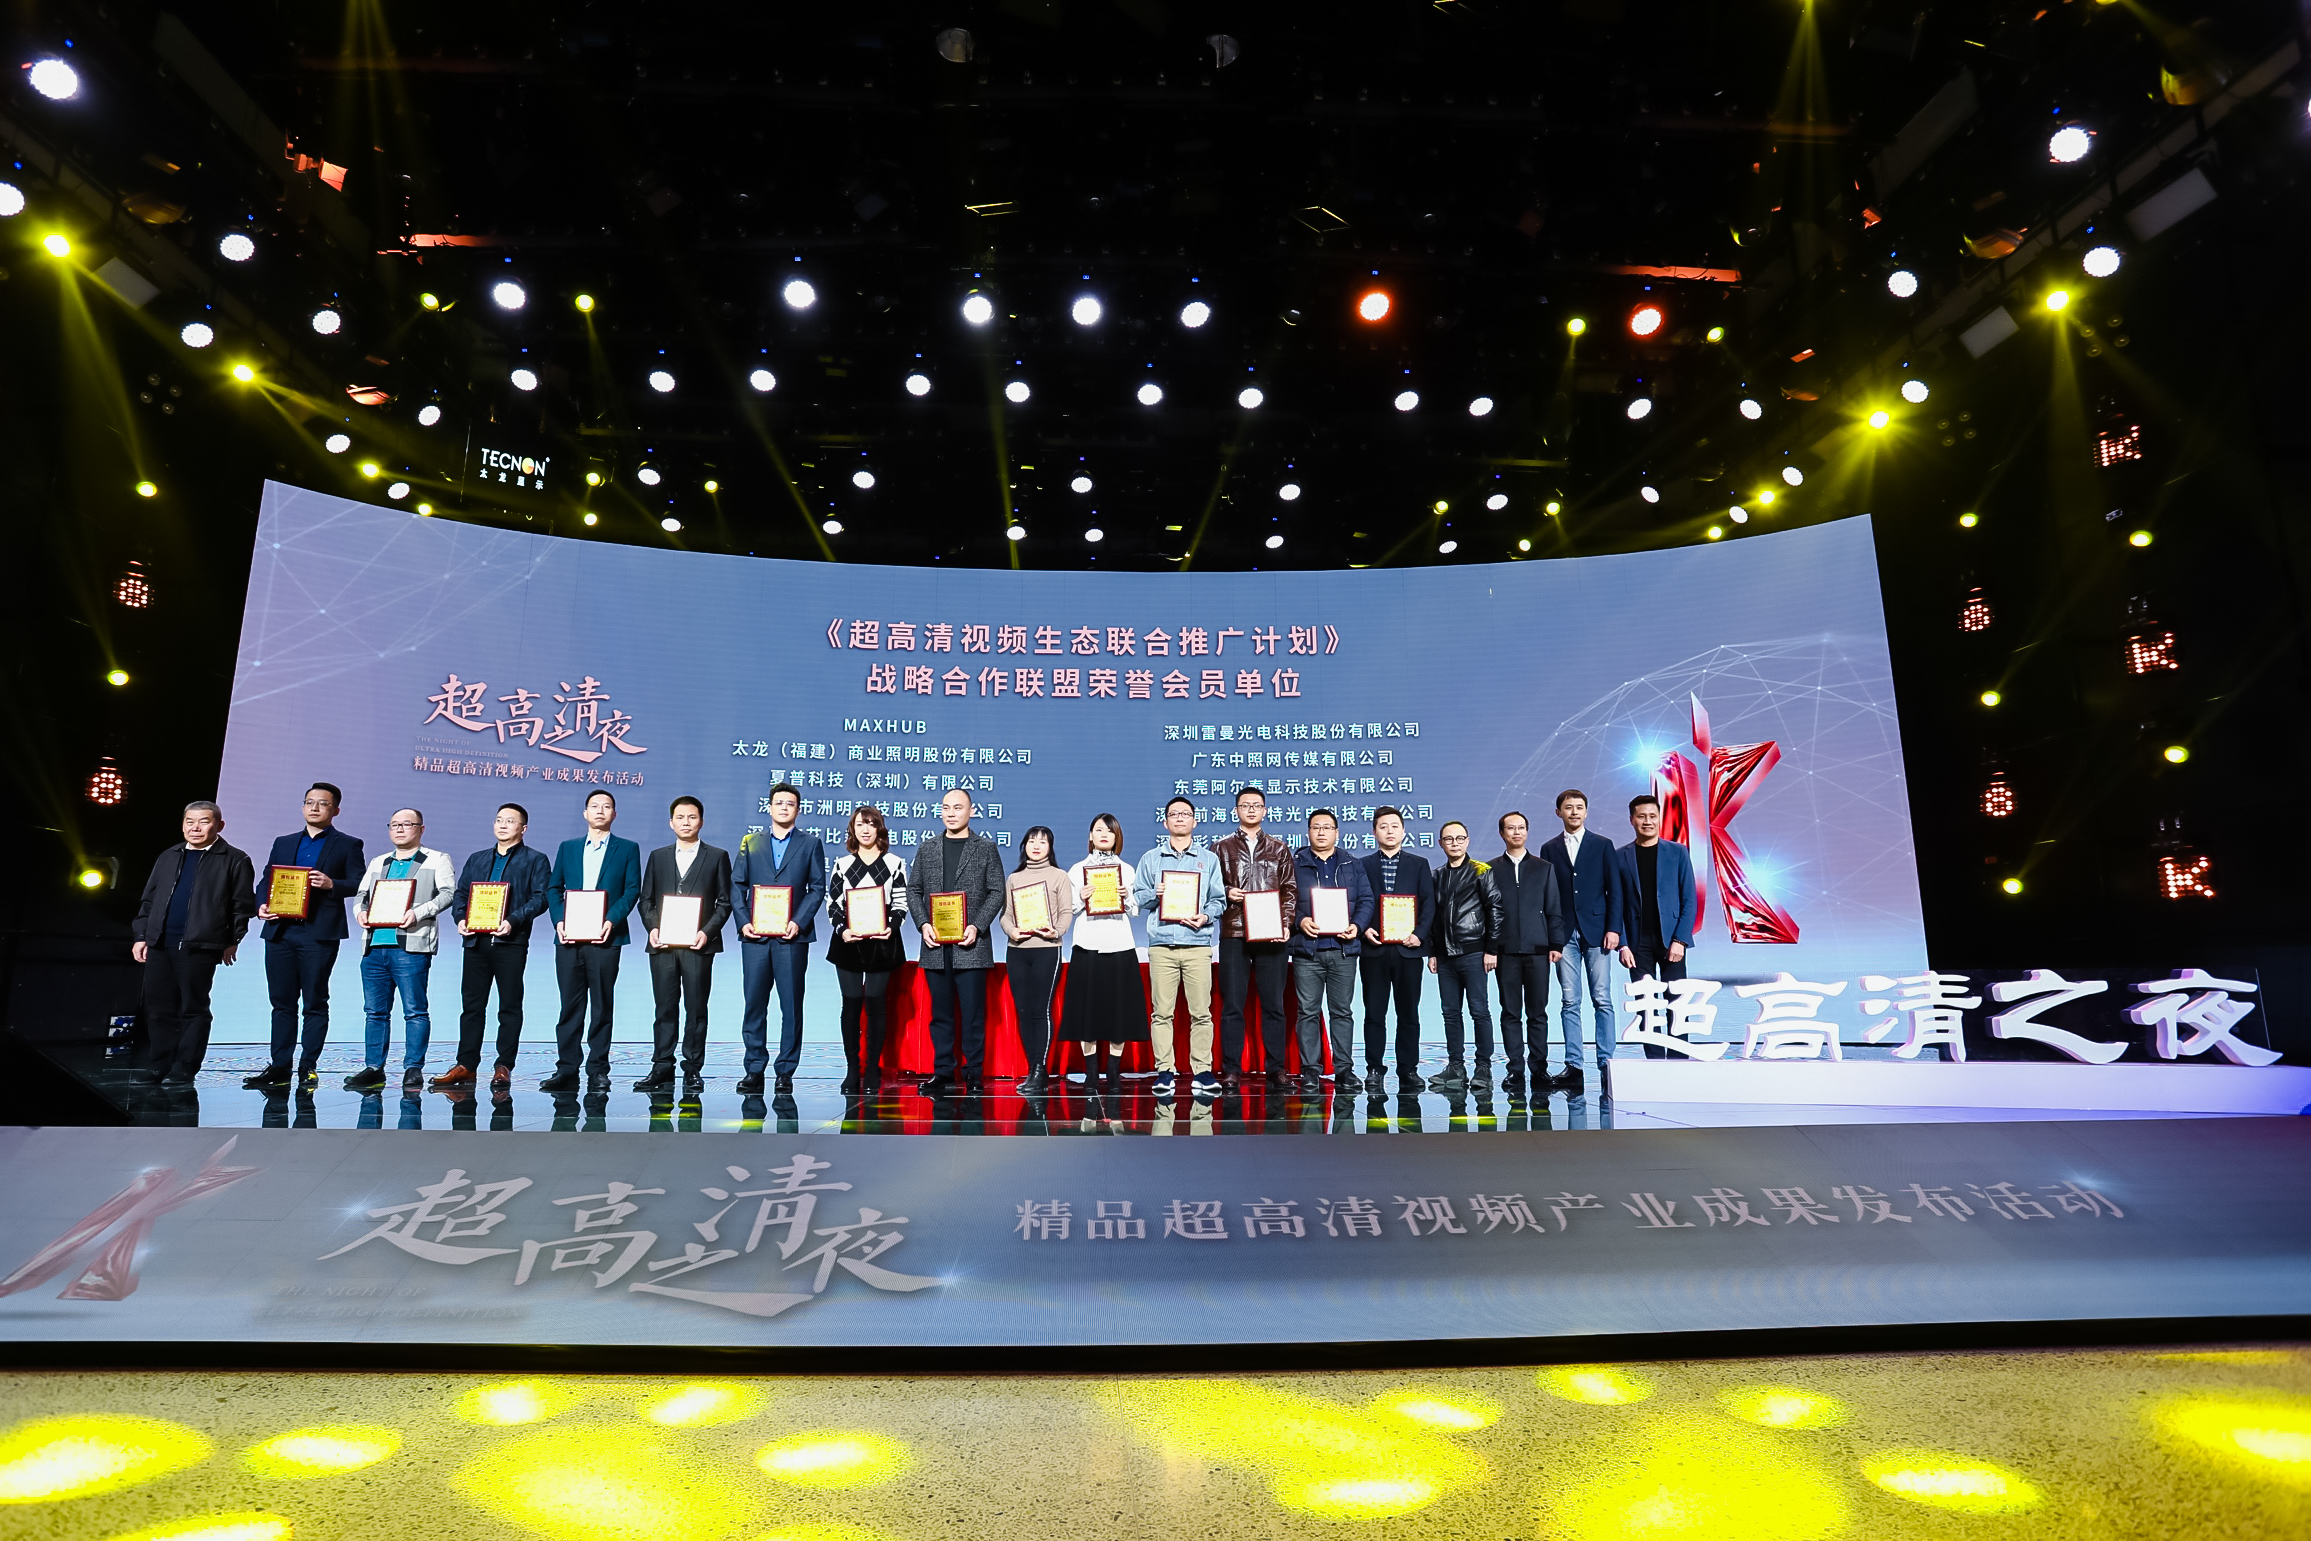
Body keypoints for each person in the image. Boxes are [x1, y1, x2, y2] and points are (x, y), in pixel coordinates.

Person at [246, 782, 366, 1090]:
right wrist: (261, 904)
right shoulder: (283, 842)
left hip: (319, 933)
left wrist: (332, 884)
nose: (314, 807)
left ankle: (308, 1065)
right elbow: (267, 878)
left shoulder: (348, 844)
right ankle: (279, 1066)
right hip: (280, 931)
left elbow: (360, 883)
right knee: (282, 1002)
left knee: (314, 1001)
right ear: (302, 806)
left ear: (335, 810)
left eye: (322, 803)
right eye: (309, 802)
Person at [129, 800, 257, 1085]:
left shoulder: (235, 859)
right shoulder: (169, 855)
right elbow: (149, 900)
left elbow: (242, 906)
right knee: (158, 1008)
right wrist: (141, 936)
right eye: (190, 821)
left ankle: (185, 1067)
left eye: (204, 821)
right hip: (160, 942)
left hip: (201, 944)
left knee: (193, 1008)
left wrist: (232, 940)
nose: (195, 828)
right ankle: (160, 1065)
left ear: (219, 825)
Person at [440, 802, 552, 1090]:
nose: (503, 825)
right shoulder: (477, 858)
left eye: (510, 821)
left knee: (509, 1006)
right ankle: (466, 1065)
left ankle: (504, 1066)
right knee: (471, 1006)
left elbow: (541, 898)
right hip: (475, 942)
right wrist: (460, 919)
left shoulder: (535, 860)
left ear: (523, 829)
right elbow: (461, 893)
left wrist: (513, 920)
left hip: (510, 942)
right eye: (499, 819)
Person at [346, 808, 459, 1091]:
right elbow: (361, 895)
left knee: (415, 1010)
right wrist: (360, 912)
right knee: (375, 1012)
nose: (399, 829)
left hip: (411, 945)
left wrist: (419, 912)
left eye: (406, 824)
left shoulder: (437, 859)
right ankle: (374, 1068)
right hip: (374, 946)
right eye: (394, 824)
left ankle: (413, 1068)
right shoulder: (379, 861)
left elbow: (448, 893)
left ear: (421, 829)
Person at [907, 788, 1005, 1097]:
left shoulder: (985, 848)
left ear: (971, 811)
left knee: (973, 1013)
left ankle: (973, 1072)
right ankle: (943, 1071)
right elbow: (913, 890)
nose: (951, 813)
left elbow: (997, 891)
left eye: (958, 807)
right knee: (941, 1014)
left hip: (971, 944)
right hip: (935, 945)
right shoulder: (927, 848)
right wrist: (923, 924)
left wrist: (977, 925)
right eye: (946, 808)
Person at [542, 790, 642, 1093]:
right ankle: (566, 1068)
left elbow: (632, 890)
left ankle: (598, 1069)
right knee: (569, 1007)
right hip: (569, 938)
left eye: (606, 806)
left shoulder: (628, 848)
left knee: (601, 1005)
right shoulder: (568, 847)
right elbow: (553, 888)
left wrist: (610, 920)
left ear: (614, 814)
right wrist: (559, 921)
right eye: (594, 806)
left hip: (606, 938)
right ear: (585, 813)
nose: (600, 810)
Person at [730, 782, 827, 1095]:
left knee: (791, 1007)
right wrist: (743, 922)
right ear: (769, 807)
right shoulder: (751, 842)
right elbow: (737, 885)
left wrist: (798, 922)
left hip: (791, 938)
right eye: (779, 803)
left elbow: (817, 888)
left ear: (798, 809)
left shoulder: (810, 843)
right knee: (754, 1005)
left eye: (790, 804)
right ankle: (754, 1069)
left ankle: (785, 1070)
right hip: (755, 938)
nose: (784, 808)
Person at [636, 795, 733, 1096]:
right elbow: (646, 900)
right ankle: (661, 1066)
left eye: (692, 817)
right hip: (663, 945)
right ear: (671, 822)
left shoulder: (717, 856)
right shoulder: (658, 856)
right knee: (664, 1008)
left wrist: (706, 932)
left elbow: (725, 902)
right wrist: (653, 928)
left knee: (696, 1008)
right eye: (680, 817)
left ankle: (692, 1069)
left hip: (698, 945)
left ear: (701, 821)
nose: (686, 822)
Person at [1133, 795, 1226, 1099]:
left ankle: (1202, 1071)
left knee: (1202, 1013)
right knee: (1162, 1013)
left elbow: (1219, 900)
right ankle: (1165, 1071)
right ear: (1165, 822)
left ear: (1194, 821)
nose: (1180, 818)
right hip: (1162, 945)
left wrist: (1205, 916)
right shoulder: (1151, 859)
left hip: (1197, 944)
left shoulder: (1208, 859)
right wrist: (1155, 892)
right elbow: (1138, 898)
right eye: (1174, 814)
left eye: (1185, 814)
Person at [1211, 786, 1299, 1091]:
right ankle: (1231, 1070)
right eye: (1245, 805)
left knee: (1274, 1005)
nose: (1251, 809)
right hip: (1234, 931)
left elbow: (1289, 890)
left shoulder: (1279, 848)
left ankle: (1276, 1069)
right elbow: (1210, 889)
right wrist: (1227, 892)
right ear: (1236, 810)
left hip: (1270, 933)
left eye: (1256, 805)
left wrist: (1285, 923)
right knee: (1232, 1005)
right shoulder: (1220, 848)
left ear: (1265, 811)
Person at [1539, 788, 1623, 1093]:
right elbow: (1547, 896)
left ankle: (1606, 1064)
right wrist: (1552, 936)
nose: (1574, 812)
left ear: (1586, 812)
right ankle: (1574, 1066)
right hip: (1564, 935)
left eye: (1579, 807)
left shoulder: (1603, 845)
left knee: (1602, 998)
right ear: (1558, 812)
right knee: (1569, 1001)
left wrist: (1613, 928)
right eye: (1568, 807)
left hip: (1598, 932)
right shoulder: (1549, 848)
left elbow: (1615, 890)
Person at [1289, 808, 1372, 1092]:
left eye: (1327, 827)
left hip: (1343, 950)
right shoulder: (1295, 864)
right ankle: (1310, 1070)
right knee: (1307, 1012)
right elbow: (1286, 901)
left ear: (1337, 832)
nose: (1321, 832)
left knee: (1342, 1012)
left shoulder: (1352, 863)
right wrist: (1300, 921)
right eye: (1316, 827)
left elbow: (1366, 900)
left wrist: (1357, 926)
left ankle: (1344, 1070)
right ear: (1308, 832)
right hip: (1307, 951)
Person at [826, 804, 907, 1096]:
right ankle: (852, 1069)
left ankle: (872, 1067)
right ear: (852, 829)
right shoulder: (842, 864)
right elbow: (833, 903)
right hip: (849, 940)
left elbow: (900, 902)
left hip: (882, 941)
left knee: (875, 1002)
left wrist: (891, 927)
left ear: (879, 829)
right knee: (850, 1003)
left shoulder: (895, 863)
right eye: (860, 824)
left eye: (871, 824)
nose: (865, 829)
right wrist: (842, 929)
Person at [1614, 793, 1699, 1057]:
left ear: (1660, 818)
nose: (1647, 821)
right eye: (1641, 816)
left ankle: (1678, 1060)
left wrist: (1680, 940)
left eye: (1652, 816)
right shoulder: (1619, 856)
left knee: (1677, 1001)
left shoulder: (1677, 852)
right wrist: (1623, 944)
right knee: (1645, 1006)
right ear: (1631, 820)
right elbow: (1616, 903)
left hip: (1671, 939)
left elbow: (1689, 898)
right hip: (1636, 944)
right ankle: (1654, 1062)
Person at [1064, 813, 1145, 1091]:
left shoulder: (1127, 870)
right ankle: (1090, 1071)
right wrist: (1081, 898)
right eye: (1098, 830)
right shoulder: (1077, 870)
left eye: (1109, 831)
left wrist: (1126, 897)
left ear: (1116, 837)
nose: (1103, 835)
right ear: (1090, 835)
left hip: (1119, 943)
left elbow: (1136, 910)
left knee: (1118, 1010)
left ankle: (1113, 1069)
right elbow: (1069, 909)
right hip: (1087, 943)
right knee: (1086, 1010)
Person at [1490, 810, 1566, 1099]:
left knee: (1537, 1013)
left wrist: (1556, 944)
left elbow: (1554, 909)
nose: (1516, 832)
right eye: (1511, 828)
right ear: (1502, 833)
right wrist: (1490, 948)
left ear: (1527, 831)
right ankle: (1515, 1070)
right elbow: (1487, 913)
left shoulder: (1543, 868)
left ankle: (1539, 1069)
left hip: (1538, 951)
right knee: (1510, 1013)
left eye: (1521, 827)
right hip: (1505, 952)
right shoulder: (1490, 869)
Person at [1359, 806, 1434, 1093]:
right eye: (1383, 826)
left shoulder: (1419, 864)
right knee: (1374, 1013)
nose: (1389, 831)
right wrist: (1364, 928)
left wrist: (1419, 935)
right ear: (1374, 832)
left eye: (1394, 826)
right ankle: (1374, 1068)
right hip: (1374, 949)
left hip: (1408, 949)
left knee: (1409, 1013)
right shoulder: (1362, 865)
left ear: (1403, 831)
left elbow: (1428, 904)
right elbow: (1359, 902)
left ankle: (1408, 1069)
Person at [1427, 821, 1504, 1093]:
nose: (1455, 843)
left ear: (1468, 841)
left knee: (1479, 1011)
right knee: (1450, 1013)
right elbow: (1432, 916)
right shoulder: (1436, 875)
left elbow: (1495, 909)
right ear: (1441, 844)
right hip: (1445, 956)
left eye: (1460, 838)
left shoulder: (1481, 870)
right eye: (1449, 839)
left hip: (1474, 952)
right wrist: (1432, 952)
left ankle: (1483, 1067)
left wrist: (1491, 949)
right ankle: (1455, 1067)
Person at [1002, 825, 1075, 1097]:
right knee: (1023, 1011)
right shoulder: (1014, 878)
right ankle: (1033, 1069)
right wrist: (1012, 931)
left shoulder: (1059, 876)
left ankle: (1040, 1070)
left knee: (1040, 1010)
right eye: (1032, 841)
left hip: (1047, 949)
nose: (1036, 846)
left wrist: (1056, 931)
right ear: (1024, 845)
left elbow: (1066, 912)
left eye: (1042, 842)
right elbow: (1006, 915)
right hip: (1017, 950)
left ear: (1050, 847)